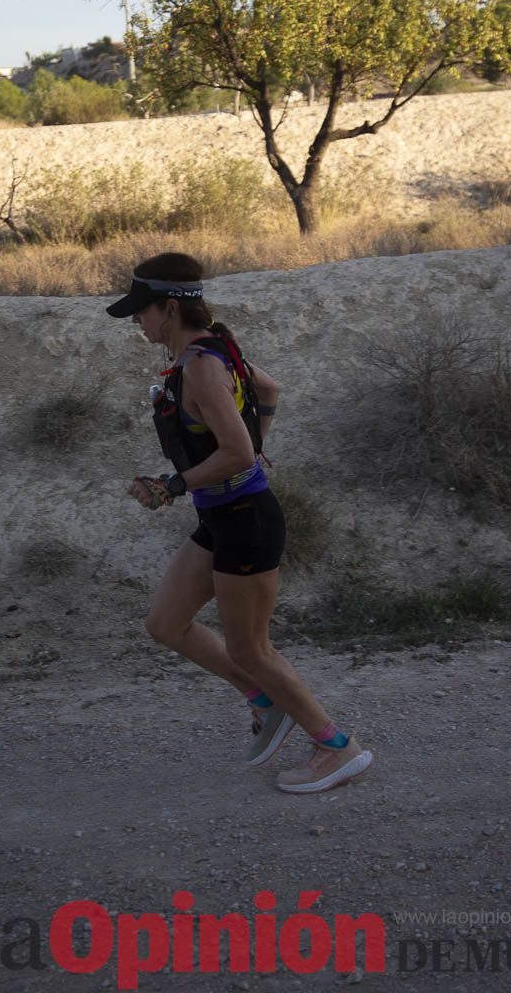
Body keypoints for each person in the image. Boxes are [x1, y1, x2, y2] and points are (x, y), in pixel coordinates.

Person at [107, 252, 373, 794]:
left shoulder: (202, 366)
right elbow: (268, 391)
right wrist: (242, 450)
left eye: (142, 310)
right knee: (165, 624)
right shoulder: (210, 351)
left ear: (168, 308)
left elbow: (240, 454)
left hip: (246, 521)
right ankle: (262, 700)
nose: (137, 320)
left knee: (252, 649)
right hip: (222, 517)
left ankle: (336, 748)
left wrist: (173, 484)